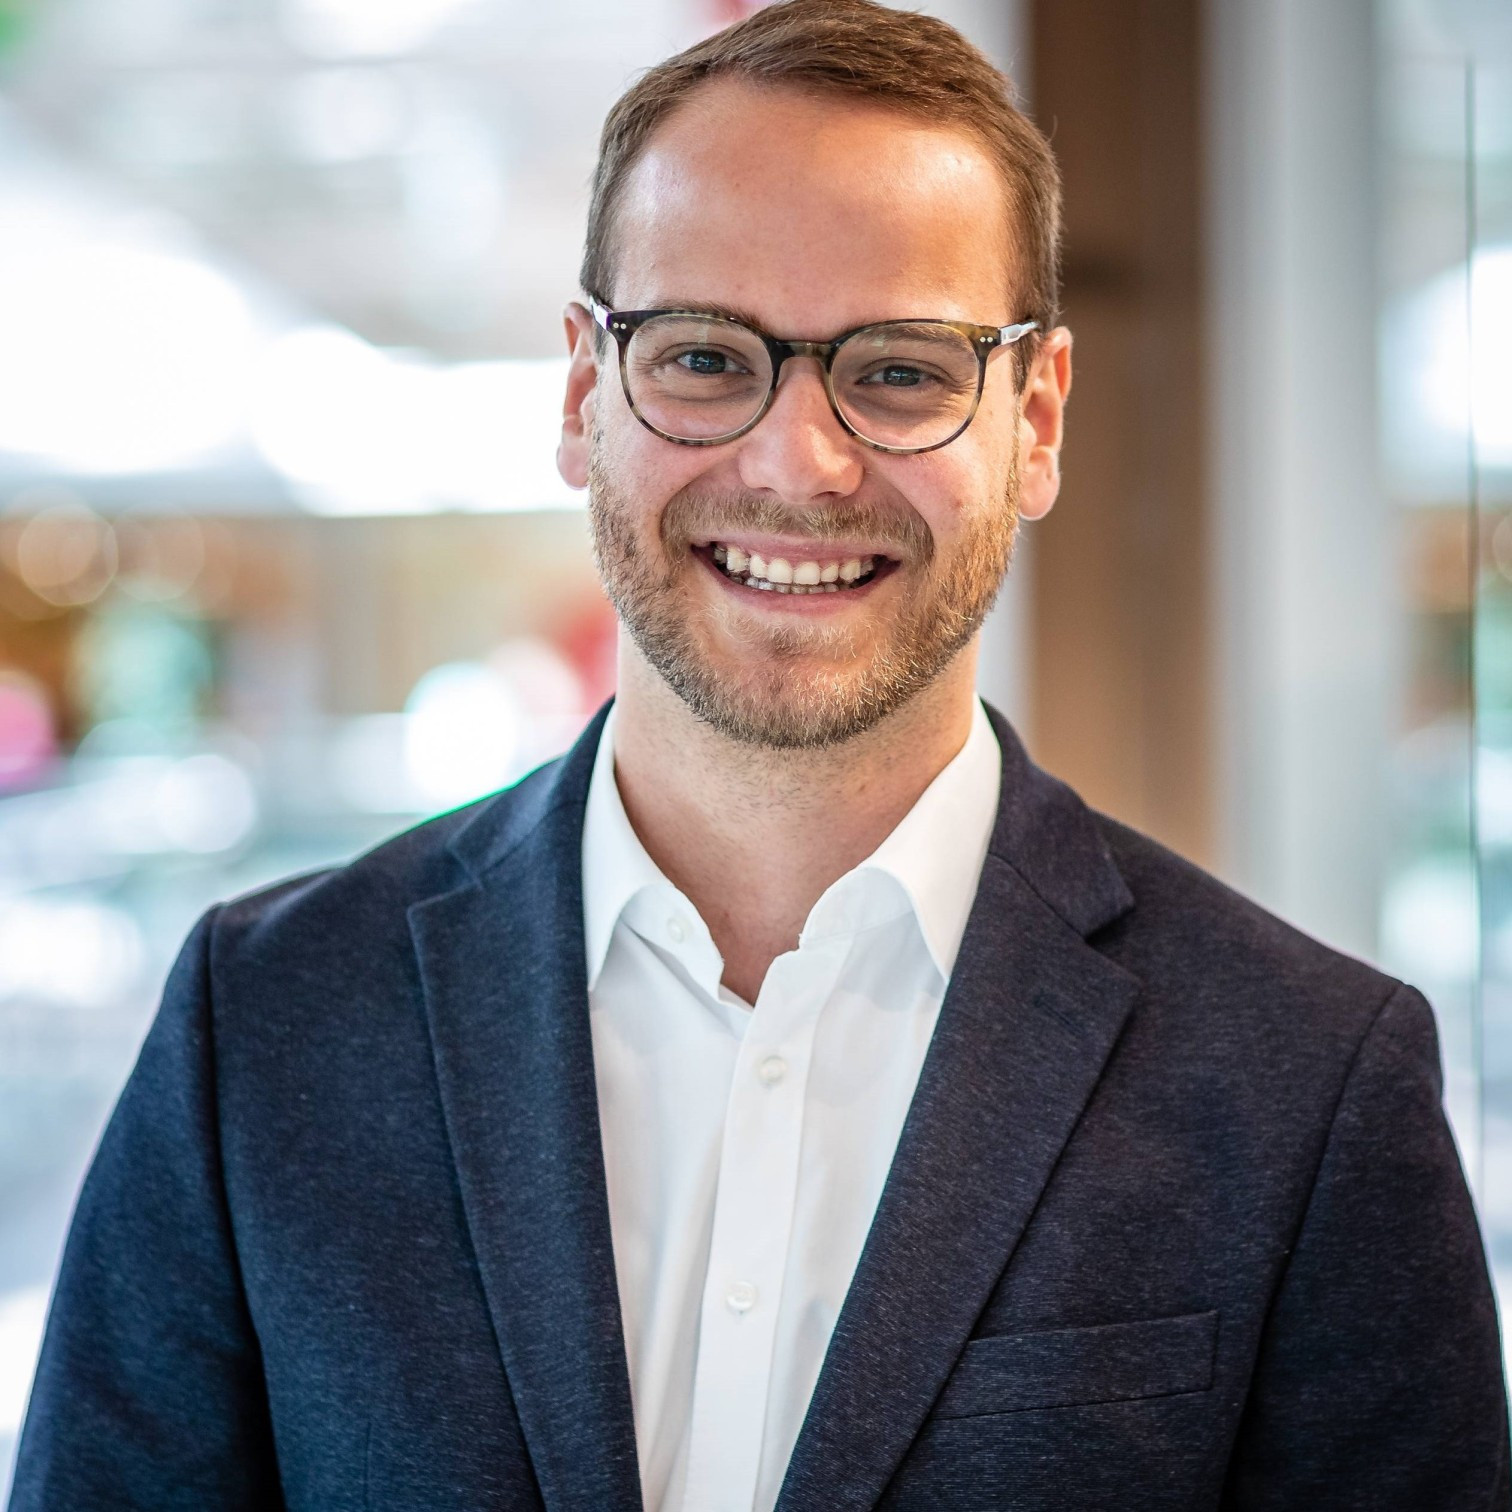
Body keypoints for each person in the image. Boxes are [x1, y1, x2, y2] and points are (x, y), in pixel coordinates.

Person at [10, 2, 1509, 1508]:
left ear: (1037, 419)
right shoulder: (265, 1026)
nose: (800, 462)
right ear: (584, 392)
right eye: (706, 357)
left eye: (905, 371)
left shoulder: (1310, 1085)